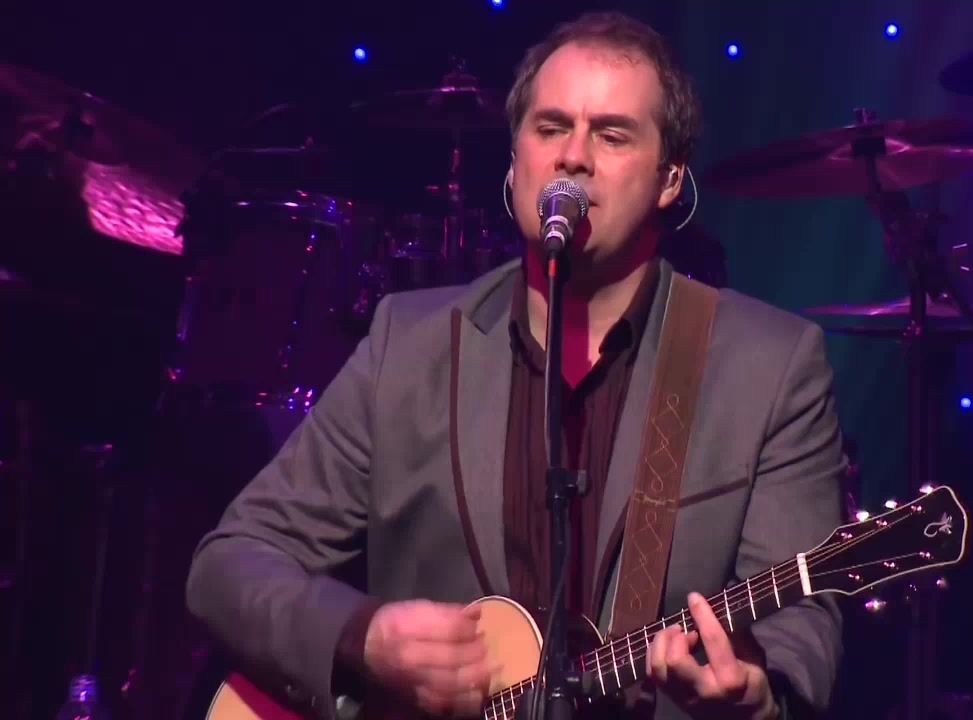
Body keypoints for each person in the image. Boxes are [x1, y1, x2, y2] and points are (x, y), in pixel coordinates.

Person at [186, 10, 846, 720]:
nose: (573, 157)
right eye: (551, 127)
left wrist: (761, 694)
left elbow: (804, 613)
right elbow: (230, 564)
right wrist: (363, 638)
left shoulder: (770, 366)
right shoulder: (408, 345)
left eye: (612, 135)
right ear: (514, 160)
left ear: (668, 179)